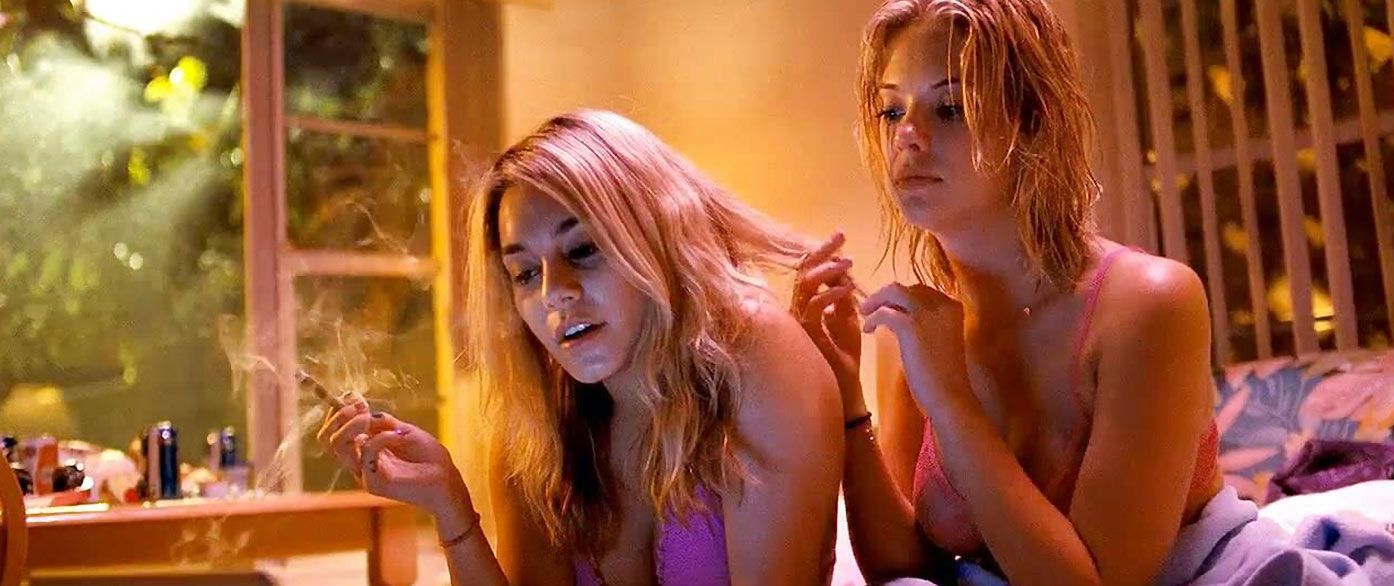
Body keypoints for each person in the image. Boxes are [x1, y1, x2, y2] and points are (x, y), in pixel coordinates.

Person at [791, 1, 1224, 583]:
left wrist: (951, 401)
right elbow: (909, 570)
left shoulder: (1149, 305)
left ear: (1031, 122)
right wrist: (845, 395)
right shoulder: (914, 328)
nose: (907, 136)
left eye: (950, 108)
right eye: (892, 110)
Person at [318, 109, 843, 585]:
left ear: (651, 235)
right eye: (525, 272)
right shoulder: (536, 422)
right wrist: (447, 503)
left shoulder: (754, 357)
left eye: (583, 249)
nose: (555, 292)